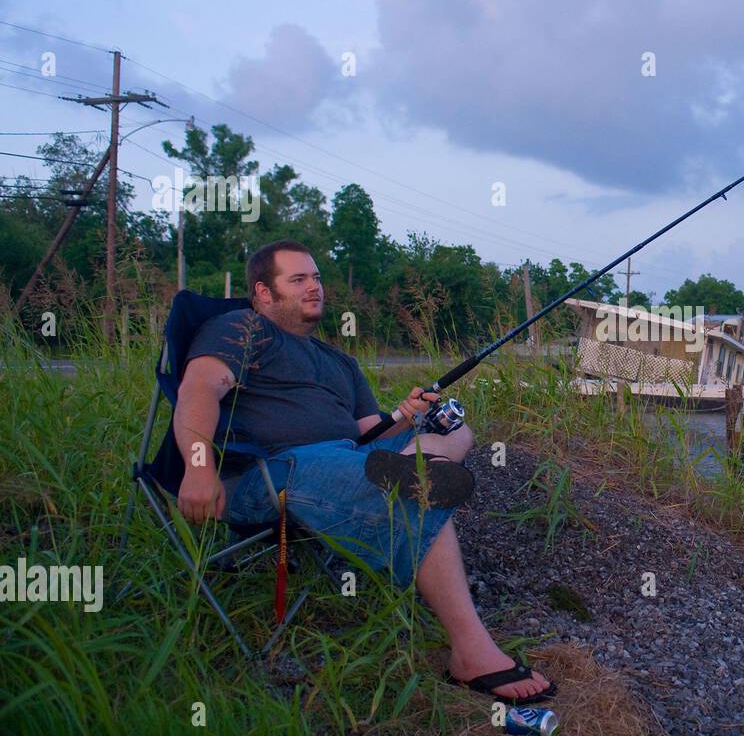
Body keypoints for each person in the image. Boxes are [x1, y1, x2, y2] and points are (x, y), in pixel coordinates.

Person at [173, 239, 553, 703]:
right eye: (298, 280)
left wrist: (405, 416)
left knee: (457, 429)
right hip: (276, 471)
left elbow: (369, 430)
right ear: (264, 293)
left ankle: (420, 460)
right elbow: (198, 391)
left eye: (316, 278)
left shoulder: (340, 362)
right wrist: (198, 467)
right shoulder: (240, 328)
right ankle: (470, 652)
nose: (314, 287)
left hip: (350, 456)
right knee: (408, 486)